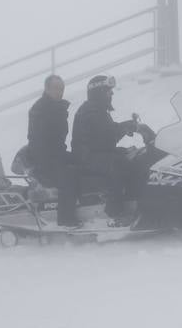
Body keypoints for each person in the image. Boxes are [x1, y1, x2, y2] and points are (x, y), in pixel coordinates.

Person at [71, 74, 153, 223]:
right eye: (108, 91)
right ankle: (115, 211)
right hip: (87, 157)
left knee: (135, 155)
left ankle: (135, 200)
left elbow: (107, 132)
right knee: (118, 164)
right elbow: (107, 135)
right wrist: (130, 126)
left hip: (96, 152)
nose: (111, 94)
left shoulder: (98, 110)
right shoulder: (90, 111)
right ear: (99, 92)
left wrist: (129, 127)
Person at [26, 74, 80, 227]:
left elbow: (57, 141)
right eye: (56, 88)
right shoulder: (41, 110)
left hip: (57, 155)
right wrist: (60, 160)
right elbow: (40, 141)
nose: (60, 92)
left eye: (62, 89)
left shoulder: (56, 107)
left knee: (83, 162)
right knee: (68, 176)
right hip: (44, 160)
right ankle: (66, 219)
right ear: (47, 89)